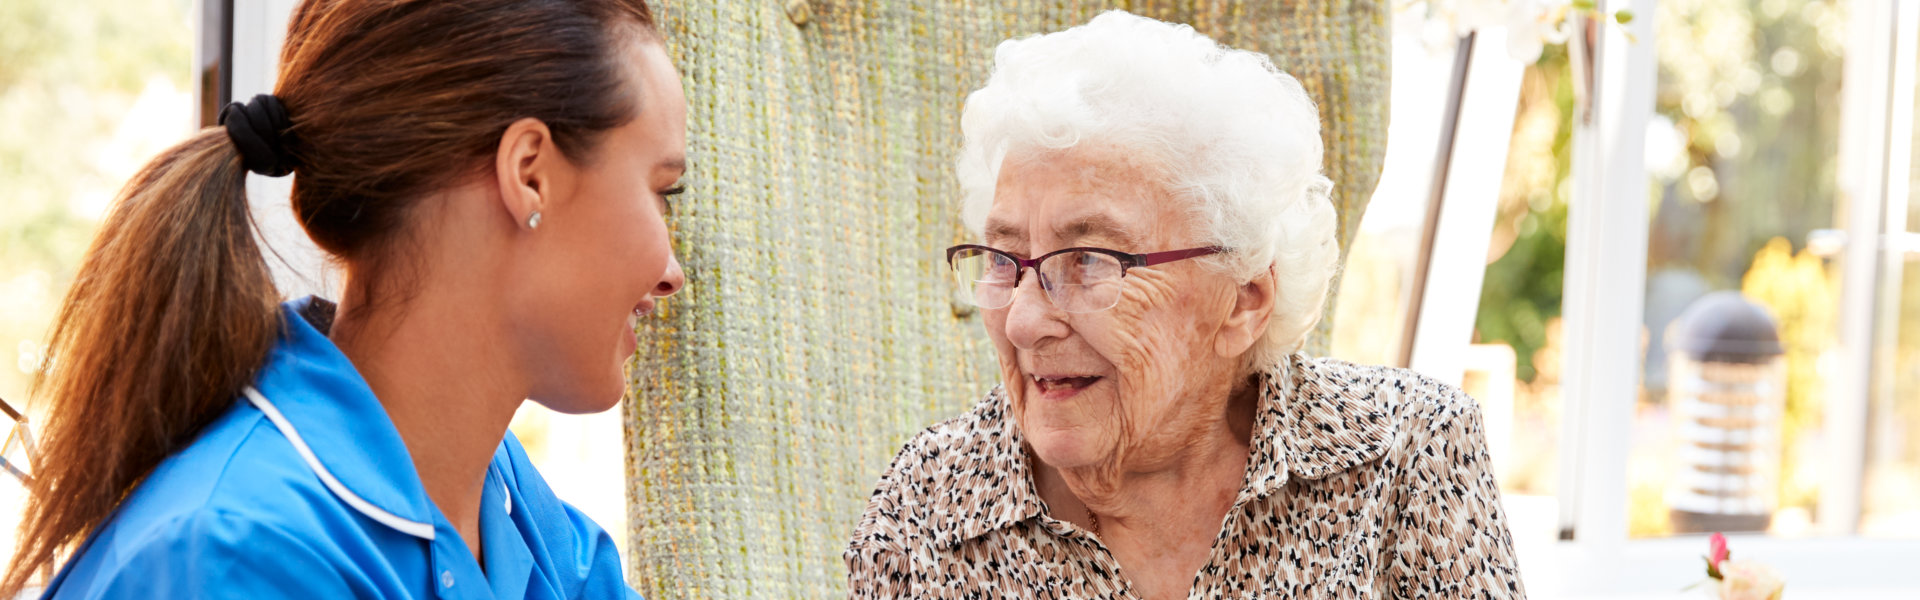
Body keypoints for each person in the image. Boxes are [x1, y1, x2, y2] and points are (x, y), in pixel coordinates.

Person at [1, 1, 685, 597]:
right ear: (529, 173)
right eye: (661, 190)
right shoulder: (236, 556)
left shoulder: (516, 519)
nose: (672, 272)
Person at [846, 11, 1524, 599]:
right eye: (1004, 260)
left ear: (1244, 301)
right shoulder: (928, 507)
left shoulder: (1406, 454)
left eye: (1087, 261)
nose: (1024, 320)